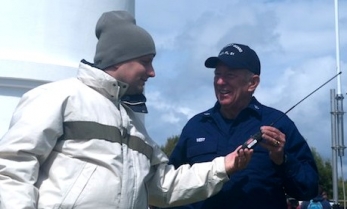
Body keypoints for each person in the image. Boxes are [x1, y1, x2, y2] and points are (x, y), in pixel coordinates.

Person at [0, 12, 253, 209]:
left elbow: (163, 186)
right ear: (118, 59)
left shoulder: (134, 123)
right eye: (146, 62)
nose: (152, 72)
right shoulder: (57, 97)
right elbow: (13, 166)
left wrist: (225, 165)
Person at [164, 43, 319, 209]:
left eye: (230, 75)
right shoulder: (196, 125)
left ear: (252, 83)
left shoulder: (279, 124)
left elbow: (308, 189)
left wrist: (282, 160)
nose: (220, 82)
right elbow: (169, 186)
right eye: (217, 74)